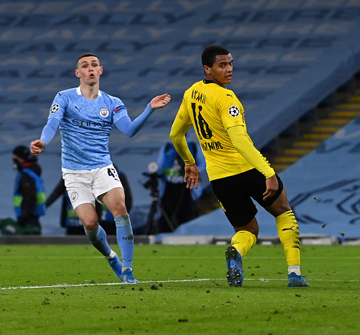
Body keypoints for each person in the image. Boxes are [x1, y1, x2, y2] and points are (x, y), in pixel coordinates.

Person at [169, 45, 309, 288]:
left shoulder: (191, 93)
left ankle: (236, 252)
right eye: (222, 65)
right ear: (207, 69)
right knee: (283, 210)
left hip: (220, 178)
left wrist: (189, 162)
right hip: (247, 168)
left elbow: (175, 135)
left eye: (231, 63)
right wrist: (268, 173)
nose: (229, 69)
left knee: (247, 229)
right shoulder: (226, 98)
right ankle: (294, 274)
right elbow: (240, 140)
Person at [30, 52, 171, 284]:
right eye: (85, 66)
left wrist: (149, 108)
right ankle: (110, 256)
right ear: (78, 73)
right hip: (74, 172)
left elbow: (129, 130)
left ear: (101, 70)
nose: (90, 69)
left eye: (94, 65)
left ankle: (127, 270)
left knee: (119, 207)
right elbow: (52, 123)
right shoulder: (64, 97)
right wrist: (43, 141)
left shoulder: (112, 103)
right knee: (90, 222)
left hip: (102, 167)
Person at [157, 139, 203, 233]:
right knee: (167, 212)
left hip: (187, 185)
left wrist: (193, 173)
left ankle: (186, 235)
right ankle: (165, 234)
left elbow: (202, 164)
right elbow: (160, 166)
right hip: (169, 185)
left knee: (185, 212)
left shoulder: (193, 146)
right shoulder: (167, 146)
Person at [12, 145, 46, 234]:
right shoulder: (33, 172)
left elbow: (30, 196)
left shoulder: (26, 175)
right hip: (33, 214)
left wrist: (23, 217)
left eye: (15, 157)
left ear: (20, 158)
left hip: (28, 216)